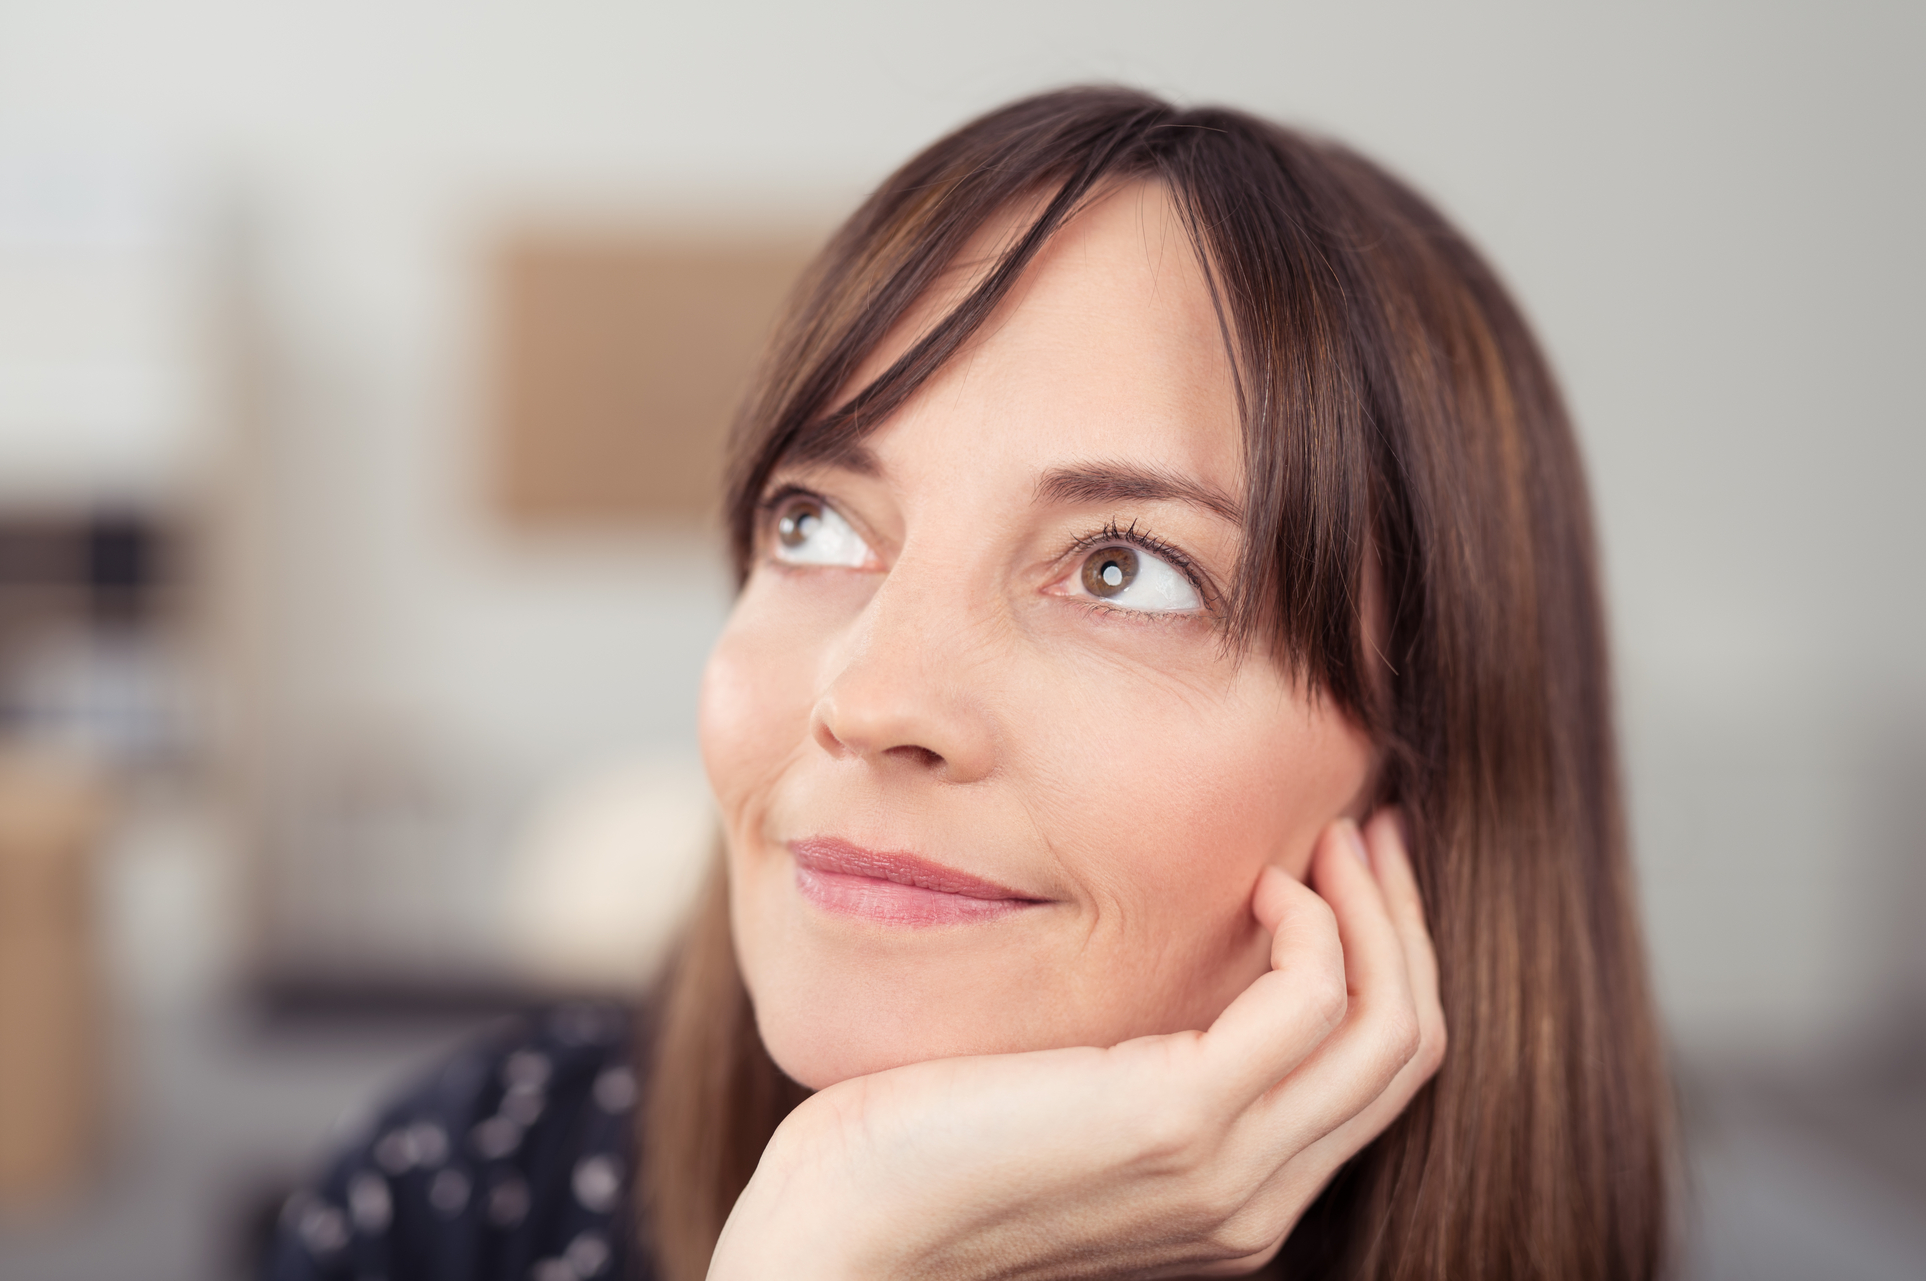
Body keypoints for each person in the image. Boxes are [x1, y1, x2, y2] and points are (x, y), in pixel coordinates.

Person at [271, 87, 1671, 1281]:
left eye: (1126, 567)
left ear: (1418, 759)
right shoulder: (471, 1184)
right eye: (815, 525)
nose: (870, 699)